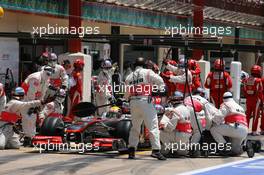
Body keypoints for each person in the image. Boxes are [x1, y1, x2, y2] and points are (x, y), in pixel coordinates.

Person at [125, 57, 166, 160]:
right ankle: (156, 150)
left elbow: (126, 95)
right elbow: (160, 80)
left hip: (133, 102)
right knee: (153, 126)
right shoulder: (148, 72)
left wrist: (126, 99)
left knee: (135, 127)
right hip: (146, 101)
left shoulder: (129, 76)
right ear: (144, 65)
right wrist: (159, 90)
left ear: (135, 65)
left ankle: (131, 150)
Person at [21, 66, 54, 140]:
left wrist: (39, 104)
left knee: (33, 117)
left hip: (34, 99)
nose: (48, 75)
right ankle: (27, 137)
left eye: (50, 74)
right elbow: (31, 93)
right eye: (47, 73)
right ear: (44, 71)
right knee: (27, 117)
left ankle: (32, 136)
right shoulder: (35, 78)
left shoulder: (46, 79)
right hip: (26, 98)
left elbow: (43, 92)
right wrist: (34, 104)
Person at [184, 88, 218, 157]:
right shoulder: (204, 100)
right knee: (197, 130)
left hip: (182, 111)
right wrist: (208, 127)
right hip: (192, 111)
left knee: (185, 130)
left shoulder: (187, 98)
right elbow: (210, 114)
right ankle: (192, 148)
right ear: (201, 94)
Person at [159, 91, 192, 157]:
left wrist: (162, 126)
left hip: (179, 135)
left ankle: (172, 150)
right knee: (182, 153)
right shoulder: (187, 108)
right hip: (187, 136)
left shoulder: (176, 110)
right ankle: (178, 149)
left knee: (159, 132)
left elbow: (170, 128)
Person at [243, 65, 263, 135]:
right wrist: (262, 101)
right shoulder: (258, 80)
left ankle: (245, 130)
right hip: (256, 100)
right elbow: (260, 91)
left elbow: (244, 91)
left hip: (248, 100)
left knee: (247, 115)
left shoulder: (246, 79)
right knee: (255, 116)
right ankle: (254, 131)